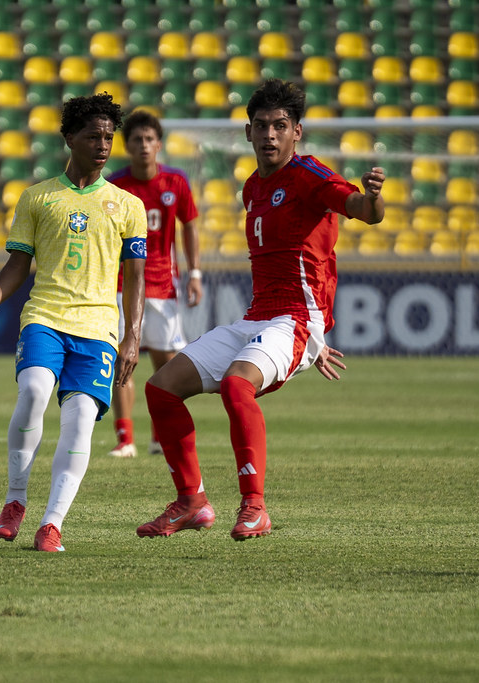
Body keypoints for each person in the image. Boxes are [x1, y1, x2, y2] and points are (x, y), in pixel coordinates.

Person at [135, 79, 385, 541]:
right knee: (161, 388)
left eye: (281, 126)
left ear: (297, 132)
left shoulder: (310, 175)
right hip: (258, 318)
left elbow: (363, 211)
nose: (271, 134)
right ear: (248, 132)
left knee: (237, 384)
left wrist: (372, 198)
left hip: (295, 319)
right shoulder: (252, 188)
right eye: (263, 126)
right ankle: (191, 502)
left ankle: (255, 506)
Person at [0, 93, 147, 552]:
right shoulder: (37, 197)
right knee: (34, 391)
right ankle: (15, 499)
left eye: (108, 137)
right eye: (92, 136)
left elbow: (136, 277)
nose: (102, 145)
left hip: (98, 327)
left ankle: (52, 523)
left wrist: (133, 336)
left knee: (81, 419)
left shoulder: (128, 205)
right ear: (69, 137)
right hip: (45, 316)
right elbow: (18, 265)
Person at [104, 110, 203, 459]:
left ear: (159, 144)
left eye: (149, 139)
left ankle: (160, 437)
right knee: (122, 360)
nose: (144, 145)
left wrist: (194, 274)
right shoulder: (115, 185)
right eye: (137, 140)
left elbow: (190, 224)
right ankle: (125, 439)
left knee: (167, 364)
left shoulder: (176, 181)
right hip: (121, 285)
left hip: (163, 286)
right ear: (127, 146)